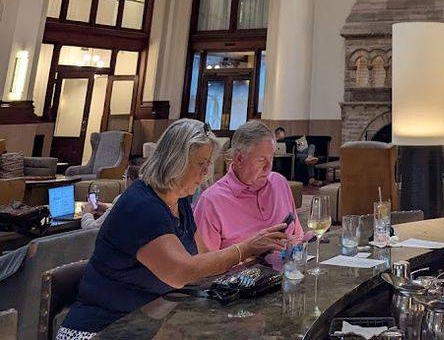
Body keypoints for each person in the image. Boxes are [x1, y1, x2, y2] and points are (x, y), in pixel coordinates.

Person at [58, 119, 291, 338]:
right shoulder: (141, 206)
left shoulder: (179, 202)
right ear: (175, 161)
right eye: (201, 164)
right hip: (102, 330)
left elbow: (204, 261)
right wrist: (247, 248)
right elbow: (183, 272)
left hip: (149, 325)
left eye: (209, 164)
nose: (207, 173)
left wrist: (253, 267)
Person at [194, 119, 304, 250]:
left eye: (271, 158)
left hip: (289, 268)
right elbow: (205, 264)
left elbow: (298, 236)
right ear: (239, 159)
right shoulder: (212, 201)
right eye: (261, 159)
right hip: (240, 270)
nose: (268, 167)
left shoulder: (279, 183)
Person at [80, 164, 139, 231]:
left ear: (129, 180)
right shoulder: (149, 196)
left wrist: (86, 213)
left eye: (124, 177)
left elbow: (91, 229)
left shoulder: (124, 199)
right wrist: (108, 210)